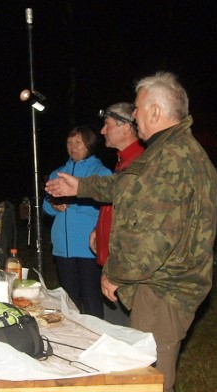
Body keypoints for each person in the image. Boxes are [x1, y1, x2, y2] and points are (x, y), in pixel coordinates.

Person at [45, 72, 217, 392]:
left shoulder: (172, 159)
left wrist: (115, 274)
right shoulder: (173, 152)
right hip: (174, 286)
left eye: (137, 108)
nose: (133, 115)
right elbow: (128, 186)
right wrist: (80, 186)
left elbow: (152, 237)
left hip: (163, 289)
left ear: (156, 111)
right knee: (160, 380)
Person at [43, 126, 112, 318]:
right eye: (69, 143)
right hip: (62, 248)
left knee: (91, 298)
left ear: (88, 145)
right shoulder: (58, 172)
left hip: (88, 248)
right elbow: (46, 207)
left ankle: (97, 338)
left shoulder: (100, 172)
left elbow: (107, 207)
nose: (73, 147)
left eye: (78, 143)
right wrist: (54, 205)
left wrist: (73, 202)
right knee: (69, 299)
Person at [90, 103, 145, 327]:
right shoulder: (122, 161)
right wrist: (98, 230)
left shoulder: (140, 163)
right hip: (111, 264)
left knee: (129, 335)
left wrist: (116, 271)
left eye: (107, 125)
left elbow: (137, 226)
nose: (103, 131)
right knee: (114, 330)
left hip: (124, 269)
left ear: (125, 128)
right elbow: (114, 204)